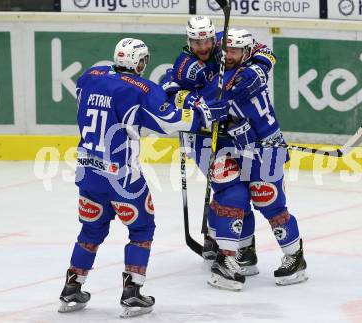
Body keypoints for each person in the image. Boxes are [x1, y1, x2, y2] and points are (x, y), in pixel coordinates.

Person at [58, 38, 228, 317]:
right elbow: (170, 122)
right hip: (122, 178)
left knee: (90, 231)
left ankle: (72, 288)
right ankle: (132, 293)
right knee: (141, 230)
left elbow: (86, 98)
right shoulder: (142, 89)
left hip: (88, 172)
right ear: (139, 62)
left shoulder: (91, 76)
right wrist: (203, 115)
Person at [161, 16, 277, 277]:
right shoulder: (186, 67)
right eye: (196, 42)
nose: (202, 47)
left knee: (236, 190)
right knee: (229, 190)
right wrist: (195, 101)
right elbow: (168, 91)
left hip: (232, 136)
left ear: (214, 38)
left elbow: (265, 52)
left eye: (206, 41)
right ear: (187, 41)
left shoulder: (229, 46)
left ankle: (230, 243)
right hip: (202, 138)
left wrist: (257, 67)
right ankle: (223, 242)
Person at [196, 28, 308, 291]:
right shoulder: (241, 70)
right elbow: (264, 54)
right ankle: (239, 254)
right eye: (226, 50)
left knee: (268, 200)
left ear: (245, 52)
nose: (229, 55)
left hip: (265, 147)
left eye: (234, 51)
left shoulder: (241, 78)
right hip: (237, 148)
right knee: (234, 199)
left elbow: (209, 104)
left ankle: (295, 257)